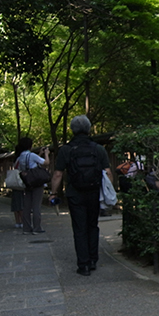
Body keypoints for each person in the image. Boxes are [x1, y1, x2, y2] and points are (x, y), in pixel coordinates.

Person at [50, 115, 112, 276]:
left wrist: (53, 193)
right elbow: (108, 172)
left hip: (75, 193)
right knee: (93, 225)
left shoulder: (66, 150)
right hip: (94, 193)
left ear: (72, 130)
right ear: (89, 128)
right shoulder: (98, 149)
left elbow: (58, 174)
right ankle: (93, 260)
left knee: (79, 228)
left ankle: (83, 265)